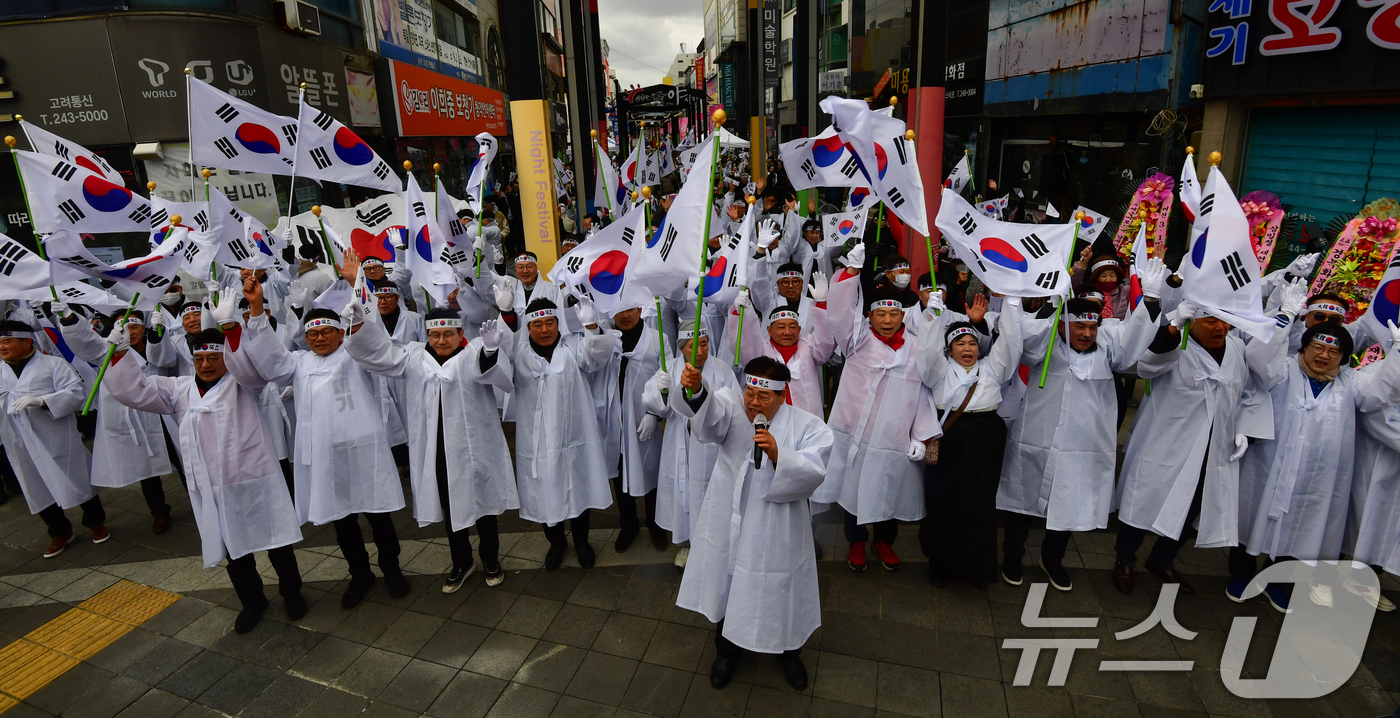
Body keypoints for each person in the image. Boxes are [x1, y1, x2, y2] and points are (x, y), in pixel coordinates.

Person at [222, 276, 410, 609]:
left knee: (378, 513)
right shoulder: (299, 364)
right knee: (342, 519)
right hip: (326, 455)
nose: (320, 338)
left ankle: (392, 569)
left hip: (363, 448)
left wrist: (357, 285)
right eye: (313, 334)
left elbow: (375, 342)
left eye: (326, 332)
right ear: (305, 338)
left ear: (340, 333)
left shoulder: (356, 354)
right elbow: (269, 358)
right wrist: (254, 307)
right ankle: (360, 573)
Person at [105, 323, 305, 633]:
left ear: (228, 359)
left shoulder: (243, 384)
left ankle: (292, 593)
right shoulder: (179, 389)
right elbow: (136, 391)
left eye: (214, 358)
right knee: (232, 549)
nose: (206, 365)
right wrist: (119, 354)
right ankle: (252, 600)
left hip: (253, 478)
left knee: (276, 540)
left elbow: (253, 371)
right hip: (210, 486)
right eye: (199, 359)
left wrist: (233, 331)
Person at [1111, 283, 1306, 596]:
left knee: (1194, 504)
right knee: (1143, 499)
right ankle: (1125, 558)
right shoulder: (1177, 345)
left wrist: (1246, 430)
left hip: (1214, 447)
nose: (1220, 327)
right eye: (1211, 321)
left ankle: (1162, 559)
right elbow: (1147, 366)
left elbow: (1251, 392)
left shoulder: (1237, 351)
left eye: (1224, 321)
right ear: (1194, 321)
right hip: (1166, 443)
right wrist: (1173, 328)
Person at [997, 261, 1165, 591]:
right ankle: (1012, 555)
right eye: (1079, 327)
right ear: (1063, 326)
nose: (1087, 333)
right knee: (1022, 500)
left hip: (1082, 447)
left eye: (1092, 327)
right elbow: (1021, 338)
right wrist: (1045, 303)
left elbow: (1134, 344)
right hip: (1038, 439)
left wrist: (1152, 300)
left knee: (1069, 503)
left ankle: (1052, 558)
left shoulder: (1108, 350)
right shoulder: (1045, 348)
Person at [674, 356, 833, 691]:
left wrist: (780, 455)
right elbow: (709, 420)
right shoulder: (732, 407)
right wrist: (697, 389)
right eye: (750, 393)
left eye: (763, 397)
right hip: (732, 517)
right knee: (730, 582)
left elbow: (816, 470)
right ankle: (726, 651)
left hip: (779, 524)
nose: (753, 402)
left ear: (781, 395)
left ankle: (789, 651)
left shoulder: (806, 424)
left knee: (782, 583)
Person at [343, 289, 518, 591]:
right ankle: (462, 561)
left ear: (460, 333)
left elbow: (500, 376)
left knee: (485, 506)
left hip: (475, 447)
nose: (441, 341)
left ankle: (491, 558)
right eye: (435, 335)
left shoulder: (474, 350)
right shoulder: (414, 356)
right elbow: (378, 353)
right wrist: (359, 326)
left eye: (448, 334)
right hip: (436, 449)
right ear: (427, 335)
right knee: (452, 508)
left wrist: (490, 351)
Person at [1230, 320, 1400, 611]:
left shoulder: (1352, 383)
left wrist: (1397, 352)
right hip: (1271, 468)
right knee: (1253, 518)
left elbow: (1380, 393)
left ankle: (1278, 581)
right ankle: (1242, 575)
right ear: (1305, 346)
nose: (1324, 356)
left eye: (1333, 352)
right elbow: (1257, 359)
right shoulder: (1283, 370)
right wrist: (1283, 320)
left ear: (1344, 357)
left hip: (1318, 478)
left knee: (1302, 528)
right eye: (1317, 347)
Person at [817, 245, 942, 572]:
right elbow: (840, 315)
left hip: (893, 438)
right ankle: (855, 542)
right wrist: (851, 274)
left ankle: (884, 540)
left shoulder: (917, 348)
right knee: (852, 490)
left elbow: (927, 390)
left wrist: (922, 436)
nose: (887, 321)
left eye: (894, 314)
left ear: (903, 316)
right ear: (869, 316)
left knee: (890, 491)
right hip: (853, 434)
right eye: (880, 314)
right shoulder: (856, 339)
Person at [917, 295, 1024, 588]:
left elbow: (1011, 345)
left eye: (972, 343)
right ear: (949, 350)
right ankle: (941, 566)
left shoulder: (991, 368)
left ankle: (978, 568)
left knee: (981, 503)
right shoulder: (939, 372)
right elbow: (926, 353)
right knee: (944, 501)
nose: (967, 348)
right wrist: (934, 314)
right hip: (952, 437)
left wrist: (1012, 305)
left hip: (986, 434)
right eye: (960, 344)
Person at [502, 297, 614, 570]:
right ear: (528, 328)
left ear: (557, 324)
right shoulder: (518, 355)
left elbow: (596, 358)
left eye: (549, 323)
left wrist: (591, 326)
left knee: (579, 488)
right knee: (544, 491)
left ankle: (582, 541)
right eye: (537, 324)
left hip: (574, 436)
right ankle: (556, 542)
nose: (544, 330)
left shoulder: (572, 349)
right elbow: (498, 373)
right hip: (538, 440)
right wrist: (505, 317)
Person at [58, 309, 181, 534]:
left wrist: (157, 334)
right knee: (147, 468)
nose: (129, 332)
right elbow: (85, 340)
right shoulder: (108, 348)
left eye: (134, 327)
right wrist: (69, 318)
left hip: (165, 412)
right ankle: (159, 511)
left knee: (183, 457)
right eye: (123, 328)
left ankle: (201, 498)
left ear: (143, 328)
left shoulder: (157, 341)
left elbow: (166, 359)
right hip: (138, 416)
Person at [0, 319, 107, 558]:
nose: (2, 347)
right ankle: (59, 530)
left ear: (26, 341)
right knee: (34, 483)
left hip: (54, 434)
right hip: (18, 440)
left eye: (6, 341)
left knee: (77, 476)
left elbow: (75, 392)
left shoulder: (53, 364)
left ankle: (95, 522)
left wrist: (43, 401)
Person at [644, 320, 738, 570]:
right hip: (679, 440)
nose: (699, 351)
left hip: (709, 444)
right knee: (682, 490)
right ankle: (685, 541)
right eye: (692, 346)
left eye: (704, 344)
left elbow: (732, 403)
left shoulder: (722, 370)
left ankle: (712, 543)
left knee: (708, 489)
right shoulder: (670, 369)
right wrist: (661, 393)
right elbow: (661, 408)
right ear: (682, 348)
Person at [592, 302, 666, 552]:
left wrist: (654, 412)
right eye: (619, 310)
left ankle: (655, 523)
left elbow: (665, 378)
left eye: (630, 309)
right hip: (614, 418)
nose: (624, 315)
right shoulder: (606, 340)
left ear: (640, 310)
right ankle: (628, 525)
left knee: (650, 469)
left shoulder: (658, 339)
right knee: (619, 469)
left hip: (643, 418)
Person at [730, 286, 836, 419]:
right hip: (771, 418)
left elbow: (826, 344)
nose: (787, 332)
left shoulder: (809, 345)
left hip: (806, 417)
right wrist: (740, 313)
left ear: (799, 329)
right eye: (781, 327)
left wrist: (821, 304)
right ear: (769, 331)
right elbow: (744, 346)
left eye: (792, 327)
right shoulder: (761, 350)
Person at [370, 280, 422, 471]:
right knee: (388, 423)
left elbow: (424, 348)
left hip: (408, 378)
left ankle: (415, 462)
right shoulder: (369, 322)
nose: (382, 302)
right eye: (378, 298)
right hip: (381, 380)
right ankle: (396, 464)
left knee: (412, 420)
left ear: (397, 298)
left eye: (387, 297)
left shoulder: (414, 319)